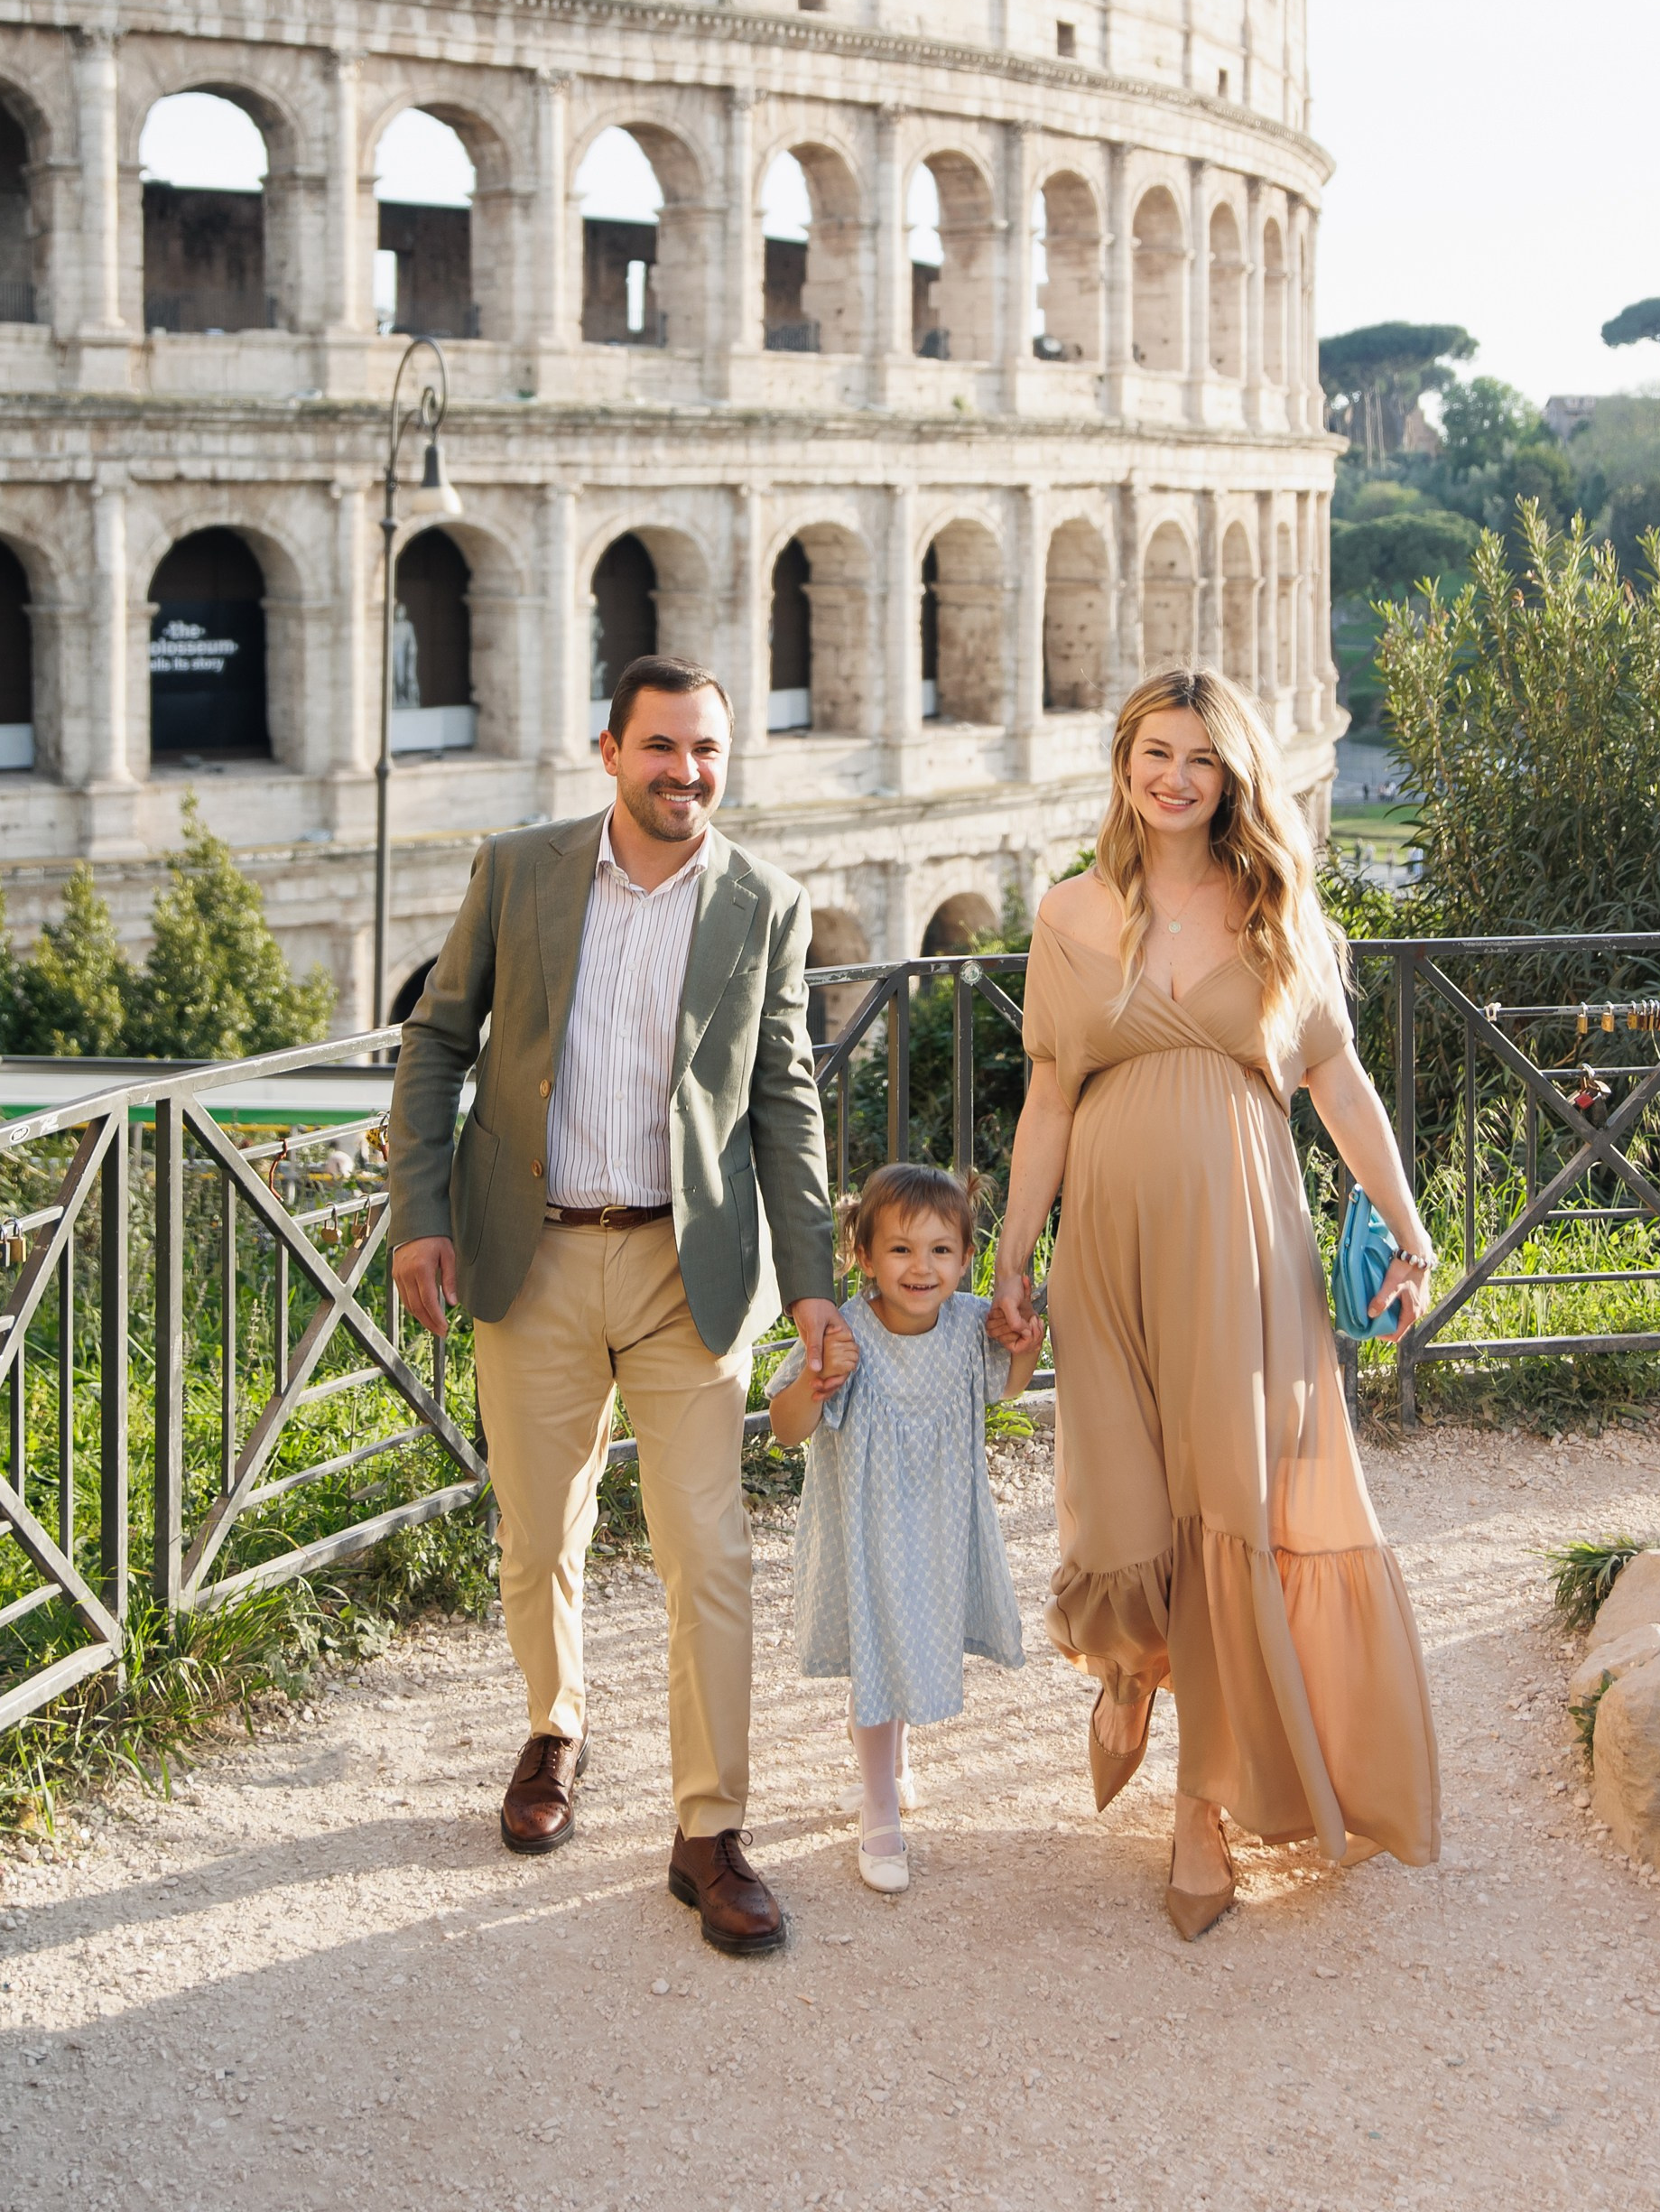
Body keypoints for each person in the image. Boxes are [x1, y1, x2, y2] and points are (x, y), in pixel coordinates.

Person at [385, 653, 849, 1957]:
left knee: (711, 1552)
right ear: (609, 752)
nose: (687, 773)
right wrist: (420, 1212)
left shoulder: (764, 901)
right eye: (662, 748)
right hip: (524, 1255)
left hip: (682, 1269)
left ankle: (709, 1831)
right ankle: (556, 1726)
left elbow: (784, 1102)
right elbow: (436, 1039)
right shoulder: (521, 869)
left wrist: (810, 1284)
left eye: (707, 751)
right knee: (539, 1536)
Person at [986, 668, 1441, 1938]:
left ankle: (1199, 1809)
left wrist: (1408, 1229)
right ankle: (1128, 1667)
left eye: (1200, 757)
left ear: (1233, 777)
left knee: (1225, 1514)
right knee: (1124, 1508)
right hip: (1109, 1256)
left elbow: (1340, 1086)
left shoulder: (1273, 909)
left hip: (1245, 1251)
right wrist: (1014, 1260)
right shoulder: (1069, 912)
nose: (1174, 775)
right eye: (1153, 751)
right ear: (1124, 765)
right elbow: (1048, 1106)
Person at [768, 1161, 1042, 1893]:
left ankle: (893, 1759)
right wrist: (814, 1380)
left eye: (940, 1251)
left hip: (940, 1523)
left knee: (911, 1635)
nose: (922, 1268)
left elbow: (1004, 1388)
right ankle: (879, 1805)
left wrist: (1025, 1348)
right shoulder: (843, 1328)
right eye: (900, 1250)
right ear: (863, 1256)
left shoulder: (965, 1324)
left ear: (965, 1256)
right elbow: (786, 1430)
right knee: (881, 1650)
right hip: (867, 1529)